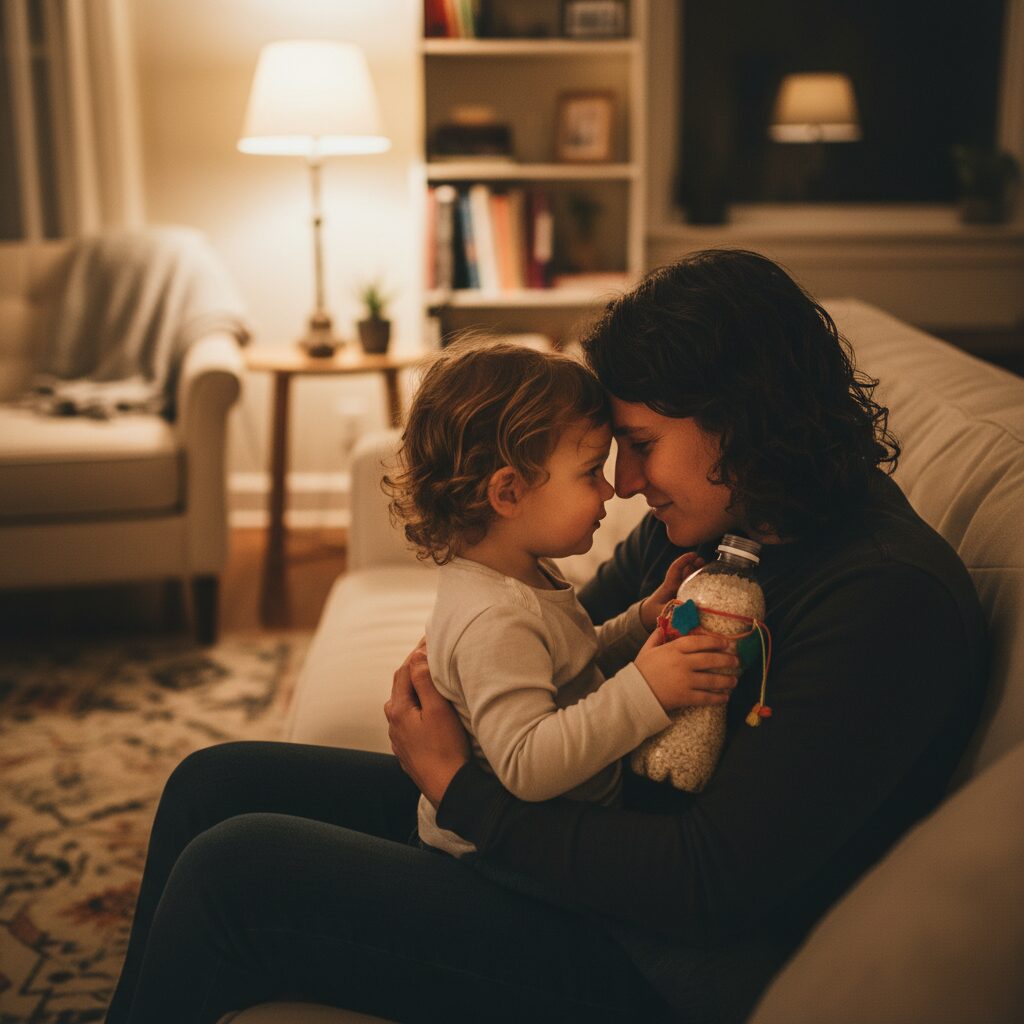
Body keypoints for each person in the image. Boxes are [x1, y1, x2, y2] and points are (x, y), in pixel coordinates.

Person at [106, 250, 988, 1024]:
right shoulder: (728, 514)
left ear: (741, 420)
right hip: (570, 823)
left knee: (236, 874)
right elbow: (567, 642)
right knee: (213, 783)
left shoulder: (884, 603)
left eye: (641, 443)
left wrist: (459, 790)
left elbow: (705, 886)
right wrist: (474, 666)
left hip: (650, 956)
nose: (628, 481)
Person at [383, 342, 735, 863]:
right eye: (591, 471)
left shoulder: (520, 576)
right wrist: (647, 692)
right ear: (508, 493)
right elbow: (528, 765)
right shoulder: (496, 618)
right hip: (494, 867)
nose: (612, 489)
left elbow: (572, 665)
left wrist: (640, 623)